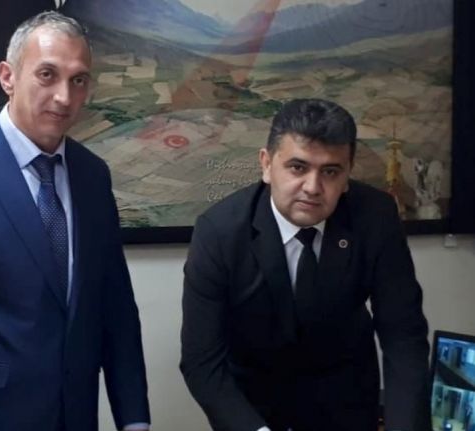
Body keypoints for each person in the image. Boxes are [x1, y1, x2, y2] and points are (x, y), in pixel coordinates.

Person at [0, 11, 150, 431]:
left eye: (78, 80)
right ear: (8, 77)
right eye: (47, 75)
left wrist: (134, 419)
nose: (64, 97)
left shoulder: (93, 175)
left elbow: (116, 308)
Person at [180, 98, 430, 431]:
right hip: (254, 410)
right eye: (298, 168)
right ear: (266, 165)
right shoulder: (220, 232)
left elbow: (403, 337)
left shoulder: (376, 217)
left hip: (347, 406)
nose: (313, 188)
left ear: (347, 174)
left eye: (330, 172)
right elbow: (202, 361)